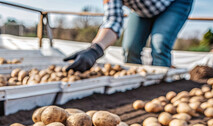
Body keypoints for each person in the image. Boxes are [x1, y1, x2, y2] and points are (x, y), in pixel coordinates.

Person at [64, 0, 194, 72]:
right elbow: (113, 21)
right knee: (130, 48)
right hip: (142, 10)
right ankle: (135, 87)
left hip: (174, 3)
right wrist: (95, 49)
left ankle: (160, 92)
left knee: (159, 45)